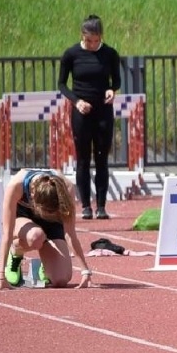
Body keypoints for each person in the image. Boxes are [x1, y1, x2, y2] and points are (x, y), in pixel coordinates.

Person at [58, 14, 123, 220]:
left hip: (103, 111)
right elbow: (62, 84)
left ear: (101, 37)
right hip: (82, 112)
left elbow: (116, 81)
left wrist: (112, 90)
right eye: (89, 41)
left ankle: (101, 206)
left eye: (96, 40)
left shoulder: (110, 53)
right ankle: (85, 205)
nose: (93, 44)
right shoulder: (71, 54)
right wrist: (77, 101)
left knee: (102, 158)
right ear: (82, 36)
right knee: (83, 159)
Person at [0, 168, 94, 288]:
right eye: (45, 211)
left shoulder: (66, 188)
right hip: (23, 219)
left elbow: (70, 233)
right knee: (36, 236)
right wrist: (0, 276)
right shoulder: (16, 185)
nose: (46, 214)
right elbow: (7, 233)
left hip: (52, 223)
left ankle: (46, 263)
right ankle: (16, 254)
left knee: (61, 280)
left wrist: (85, 271)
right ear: (32, 197)